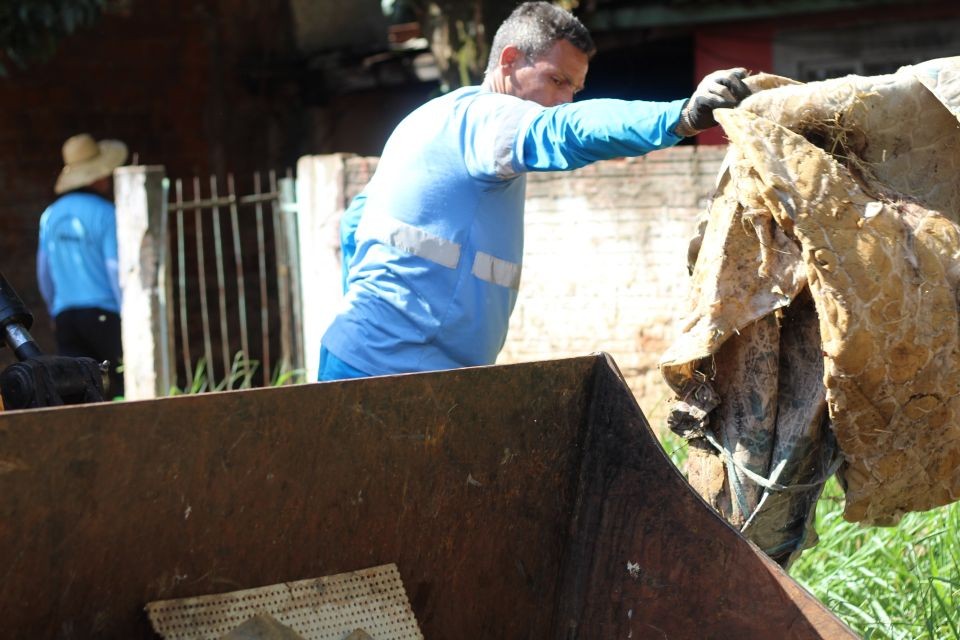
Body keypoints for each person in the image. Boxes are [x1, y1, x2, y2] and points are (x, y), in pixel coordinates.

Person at [320, 1, 749, 381]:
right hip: (399, 376)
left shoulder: (429, 119)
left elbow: (356, 221)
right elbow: (567, 130)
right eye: (556, 80)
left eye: (575, 89)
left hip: (364, 361)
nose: (565, 100)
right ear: (508, 62)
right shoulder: (491, 119)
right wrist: (679, 116)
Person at [37, 133, 128, 398]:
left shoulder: (50, 215)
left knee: (78, 390)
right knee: (119, 384)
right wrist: (126, 311)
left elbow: (43, 272)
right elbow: (115, 267)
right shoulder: (105, 212)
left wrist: (55, 309)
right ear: (97, 176)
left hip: (66, 316)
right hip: (104, 313)